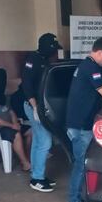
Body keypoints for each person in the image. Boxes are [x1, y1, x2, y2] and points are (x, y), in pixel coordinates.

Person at [65, 37, 102, 202]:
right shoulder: (91, 68)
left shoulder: (85, 65)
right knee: (81, 164)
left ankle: (80, 198)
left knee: (82, 163)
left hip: (79, 123)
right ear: (100, 52)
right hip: (80, 126)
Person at [22, 33, 62, 192]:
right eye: (53, 49)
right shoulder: (32, 59)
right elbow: (26, 85)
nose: (55, 53)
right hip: (32, 106)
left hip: (40, 106)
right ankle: (37, 179)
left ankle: (36, 174)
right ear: (46, 47)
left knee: (38, 140)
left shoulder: (45, 60)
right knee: (45, 141)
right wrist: (35, 107)